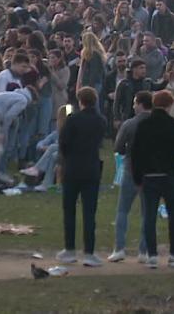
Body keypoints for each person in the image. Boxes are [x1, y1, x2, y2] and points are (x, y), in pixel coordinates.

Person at [131, 90, 174, 268]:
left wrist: (137, 177)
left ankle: (152, 255)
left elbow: (136, 153)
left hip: (149, 175)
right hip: (169, 174)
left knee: (149, 216)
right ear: (169, 105)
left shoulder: (143, 125)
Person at [57, 86, 106, 267]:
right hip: (91, 168)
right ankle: (89, 252)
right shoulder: (101, 121)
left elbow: (63, 143)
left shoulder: (73, 120)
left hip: (72, 168)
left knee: (69, 210)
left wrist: (66, 158)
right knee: (89, 213)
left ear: (80, 101)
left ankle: (69, 249)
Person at [109, 91, 152, 263]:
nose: (133, 106)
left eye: (135, 103)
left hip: (131, 169)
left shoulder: (129, 124)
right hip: (151, 172)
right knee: (147, 213)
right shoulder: (159, 123)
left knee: (122, 210)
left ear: (141, 104)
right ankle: (144, 250)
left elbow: (118, 147)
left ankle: (119, 249)